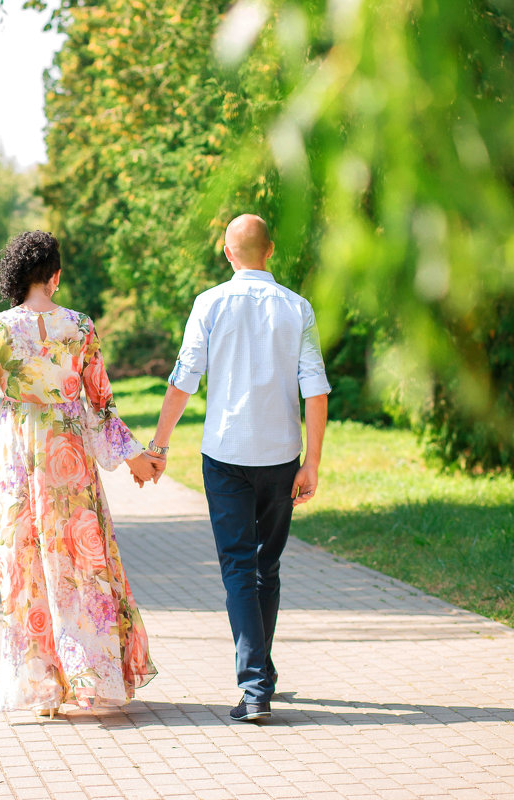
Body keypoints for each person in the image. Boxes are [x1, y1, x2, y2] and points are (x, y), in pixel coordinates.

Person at [145, 214, 330, 724]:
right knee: (264, 566)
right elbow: (315, 389)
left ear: (227, 253)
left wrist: (159, 445)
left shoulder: (209, 304)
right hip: (280, 458)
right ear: (269, 251)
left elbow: (184, 379)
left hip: (225, 456)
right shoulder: (298, 308)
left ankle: (254, 688)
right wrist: (312, 463)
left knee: (238, 569)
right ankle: (261, 673)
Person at [0, 230, 161, 718]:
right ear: (55, 276)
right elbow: (99, 405)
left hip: (19, 462)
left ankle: (43, 690)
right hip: (68, 458)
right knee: (80, 565)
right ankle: (88, 677)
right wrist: (137, 457)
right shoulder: (80, 327)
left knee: (27, 567)